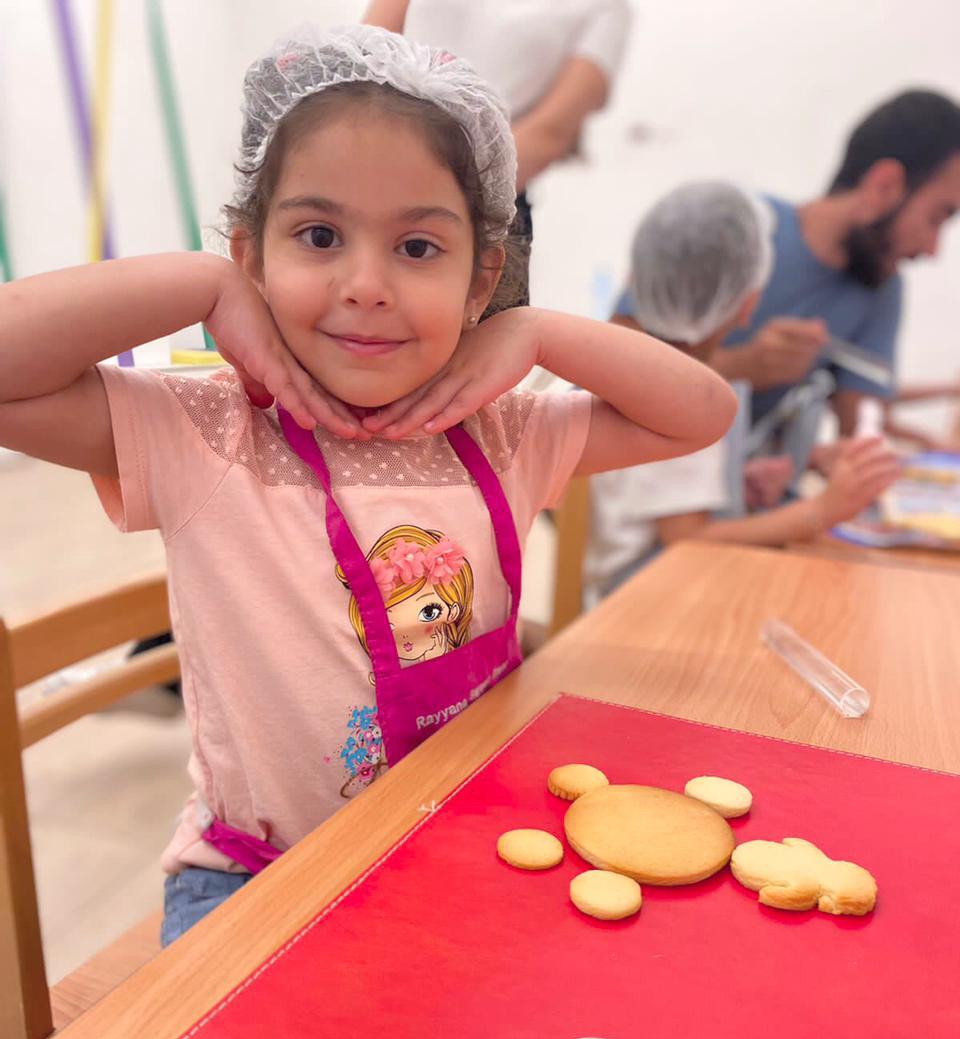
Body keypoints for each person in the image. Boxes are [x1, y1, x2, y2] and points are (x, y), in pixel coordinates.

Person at [0, 26, 734, 944]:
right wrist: (205, 287)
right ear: (255, 255)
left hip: (463, 843)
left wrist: (537, 331)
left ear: (480, 279)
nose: (366, 285)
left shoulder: (501, 432)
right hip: (262, 882)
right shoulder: (209, 432)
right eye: (319, 236)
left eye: (419, 248)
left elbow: (699, 413)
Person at [610, 91, 960, 496]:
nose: (933, 249)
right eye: (938, 217)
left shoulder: (881, 283)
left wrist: (835, 457)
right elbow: (612, 367)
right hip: (641, 495)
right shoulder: (735, 230)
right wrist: (744, 366)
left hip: (736, 503)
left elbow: (864, 428)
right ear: (884, 185)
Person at [584, 182, 900, 603]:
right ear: (749, 303)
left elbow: (661, 494)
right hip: (645, 603)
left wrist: (738, 484)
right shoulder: (684, 393)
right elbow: (687, 540)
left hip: (641, 594)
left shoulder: (652, 371)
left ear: (636, 279)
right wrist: (822, 510)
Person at [363, 0, 632, 302]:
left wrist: (439, 193)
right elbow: (364, 56)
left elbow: (550, 133)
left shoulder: (605, 10)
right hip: (375, 173)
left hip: (487, 200)